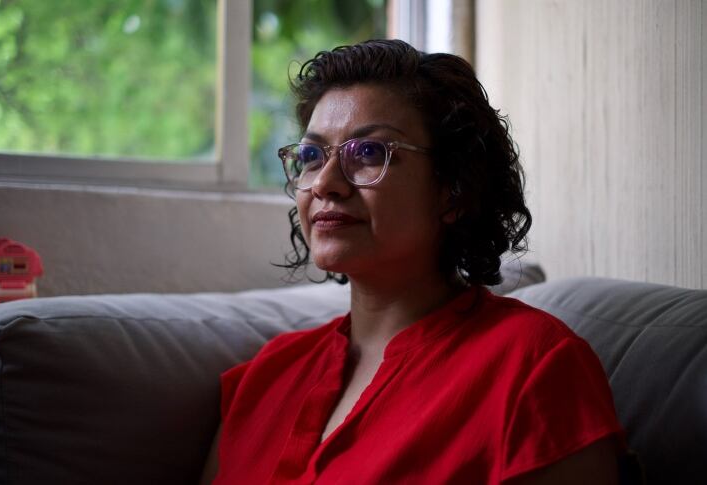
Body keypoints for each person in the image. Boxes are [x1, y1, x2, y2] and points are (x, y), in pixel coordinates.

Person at [201, 39, 624, 484]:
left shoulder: (535, 365)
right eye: (311, 156)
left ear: (454, 189)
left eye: (368, 153)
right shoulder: (268, 375)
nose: (325, 183)